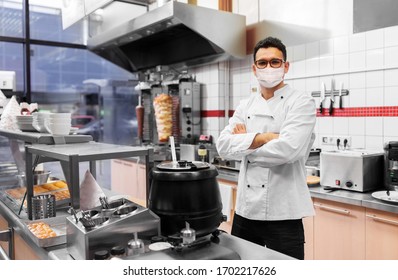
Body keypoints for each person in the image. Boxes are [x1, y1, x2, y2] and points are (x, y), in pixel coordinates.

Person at [216, 37, 316, 260]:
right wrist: (265, 137)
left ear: (286, 66)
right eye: (262, 63)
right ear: (254, 68)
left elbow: (288, 150)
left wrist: (244, 145)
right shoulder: (246, 105)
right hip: (245, 212)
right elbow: (223, 146)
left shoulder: (301, 102)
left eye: (275, 62)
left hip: (284, 213)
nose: (268, 68)